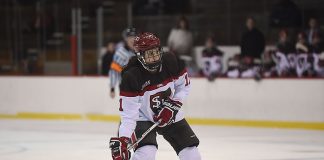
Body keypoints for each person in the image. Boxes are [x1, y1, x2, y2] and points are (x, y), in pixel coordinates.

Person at [109, 32, 201, 160]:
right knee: (147, 152)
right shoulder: (131, 76)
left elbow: (184, 86)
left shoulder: (171, 61)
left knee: (191, 151)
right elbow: (129, 116)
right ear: (140, 56)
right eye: (149, 54)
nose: (155, 57)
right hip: (143, 116)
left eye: (156, 52)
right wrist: (124, 139)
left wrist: (173, 105)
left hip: (169, 110)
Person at [109, 28, 136, 98]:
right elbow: (114, 71)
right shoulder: (120, 53)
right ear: (125, 39)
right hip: (126, 87)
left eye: (134, 37)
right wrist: (112, 88)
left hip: (141, 86)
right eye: (130, 37)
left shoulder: (141, 51)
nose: (133, 39)